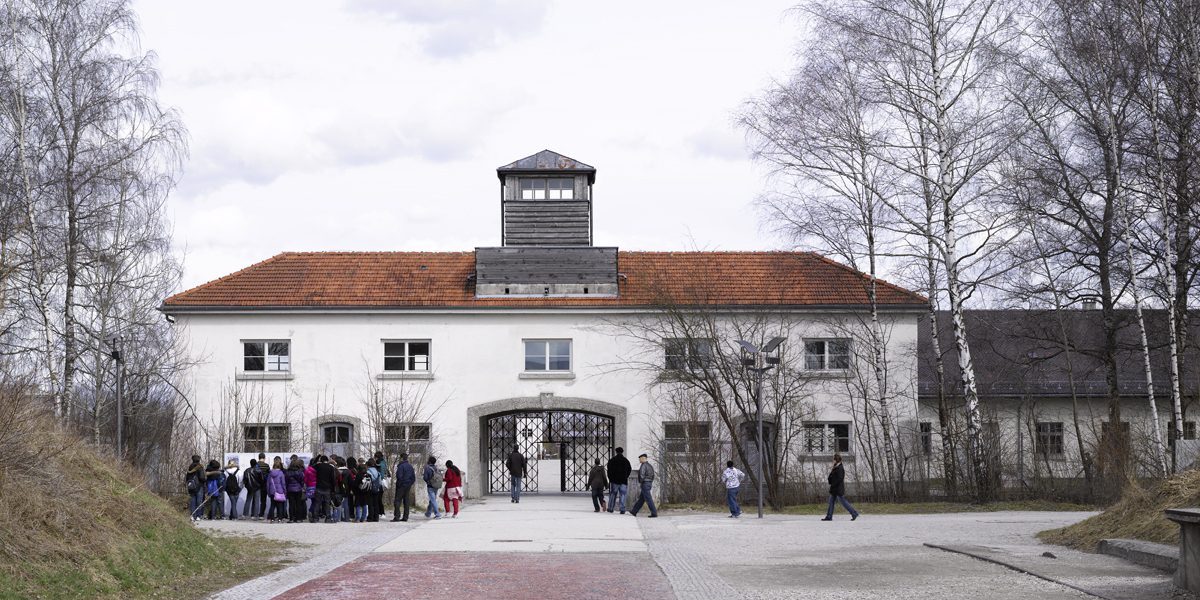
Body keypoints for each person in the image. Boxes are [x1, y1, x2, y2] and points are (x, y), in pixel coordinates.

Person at [822, 453, 859, 522]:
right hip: (834, 489)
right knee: (831, 502)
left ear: (836, 460)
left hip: (838, 489)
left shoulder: (840, 468)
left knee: (844, 502)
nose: (832, 461)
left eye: (833, 459)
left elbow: (840, 479)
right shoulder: (836, 467)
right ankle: (829, 516)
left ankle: (854, 513)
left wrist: (833, 484)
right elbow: (832, 477)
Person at [628, 453, 657, 518]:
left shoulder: (643, 465)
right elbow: (652, 476)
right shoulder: (650, 466)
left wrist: (641, 482)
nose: (639, 460)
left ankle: (654, 513)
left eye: (640, 459)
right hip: (649, 483)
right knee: (641, 499)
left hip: (645, 484)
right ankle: (634, 511)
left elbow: (641, 475)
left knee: (648, 499)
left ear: (643, 458)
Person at [606, 447, 631, 514]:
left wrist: (610, 479)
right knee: (623, 494)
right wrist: (626, 476)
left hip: (614, 481)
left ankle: (610, 508)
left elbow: (609, 471)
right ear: (622, 452)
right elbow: (629, 470)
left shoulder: (612, 460)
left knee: (613, 494)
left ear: (616, 452)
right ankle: (622, 509)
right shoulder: (626, 461)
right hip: (623, 481)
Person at [314, 455, 338, 523]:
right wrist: (333, 489)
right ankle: (328, 518)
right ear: (327, 460)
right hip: (327, 488)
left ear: (321, 460)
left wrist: (317, 456)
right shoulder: (330, 467)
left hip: (318, 487)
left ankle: (316, 518)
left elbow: (313, 464)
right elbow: (333, 479)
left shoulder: (318, 466)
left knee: (317, 503)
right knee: (327, 504)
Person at [393, 453, 415, 522]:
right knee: (406, 501)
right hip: (408, 485)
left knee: (397, 500)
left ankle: (397, 516)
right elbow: (413, 478)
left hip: (401, 486)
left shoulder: (401, 466)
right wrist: (409, 484)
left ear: (402, 458)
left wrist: (400, 484)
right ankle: (405, 517)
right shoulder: (410, 466)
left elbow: (399, 476)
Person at [285, 457, 307, 523]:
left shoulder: (288, 472)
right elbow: (302, 480)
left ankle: (291, 518)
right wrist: (301, 486)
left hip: (290, 489)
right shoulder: (300, 472)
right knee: (298, 504)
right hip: (298, 489)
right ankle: (298, 518)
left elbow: (286, 481)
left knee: (291, 504)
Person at [267, 457, 287, 523]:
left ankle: (272, 519)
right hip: (280, 491)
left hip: (272, 491)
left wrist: (268, 492)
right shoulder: (281, 473)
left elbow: (268, 483)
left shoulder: (270, 473)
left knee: (272, 505)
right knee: (280, 506)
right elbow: (283, 483)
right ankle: (280, 519)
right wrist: (284, 491)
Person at [186, 455, 205, 522]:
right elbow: (202, 478)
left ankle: (192, 516)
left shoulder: (190, 467)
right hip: (199, 486)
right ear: (199, 459)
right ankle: (198, 516)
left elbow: (187, 478)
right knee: (199, 501)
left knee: (192, 501)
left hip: (191, 486)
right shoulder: (200, 467)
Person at [334, 456, 351, 522]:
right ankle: (346, 518)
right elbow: (350, 482)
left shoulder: (336, 470)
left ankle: (339, 518)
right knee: (346, 504)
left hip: (337, 489)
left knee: (338, 504)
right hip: (346, 489)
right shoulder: (348, 471)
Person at [374, 450, 390, 520]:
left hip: (379, 483)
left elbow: (379, 473)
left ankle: (381, 513)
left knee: (378, 499)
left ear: (377, 457)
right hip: (383, 483)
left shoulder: (378, 463)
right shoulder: (384, 462)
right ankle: (381, 513)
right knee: (379, 498)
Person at [255, 452, 271, 520]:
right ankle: (261, 514)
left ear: (258, 457)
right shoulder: (267, 466)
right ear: (264, 458)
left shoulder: (256, 465)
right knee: (263, 501)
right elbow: (269, 475)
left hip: (256, 485)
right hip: (264, 485)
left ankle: (255, 514)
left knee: (255, 500)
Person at [304, 457, 318, 522]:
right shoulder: (317, 469)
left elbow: (305, 479)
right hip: (316, 487)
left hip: (309, 487)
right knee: (316, 502)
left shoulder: (307, 469)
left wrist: (307, 485)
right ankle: (312, 512)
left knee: (313, 501)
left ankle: (311, 512)